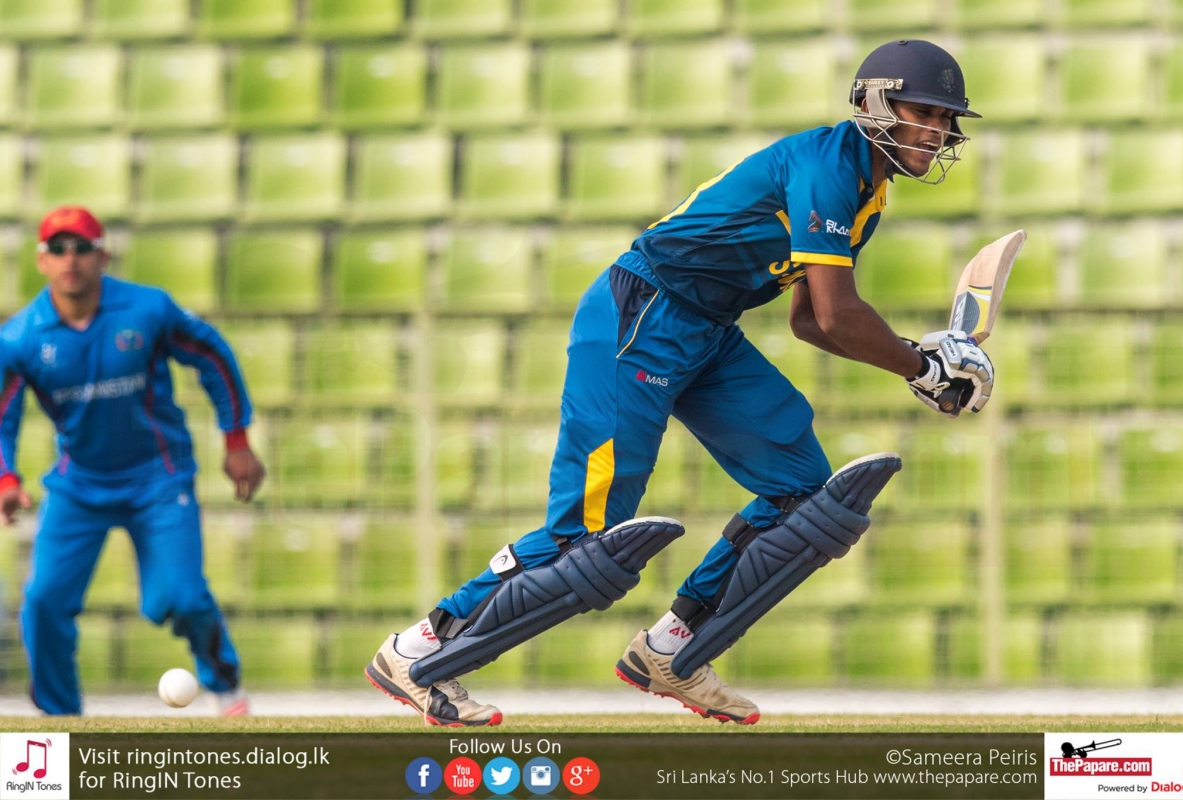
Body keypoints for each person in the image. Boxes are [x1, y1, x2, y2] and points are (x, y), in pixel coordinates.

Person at [366, 40, 995, 726]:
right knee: (587, 534)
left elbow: (811, 321)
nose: (937, 132)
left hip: (709, 330)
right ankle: (419, 649)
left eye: (945, 119)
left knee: (806, 498)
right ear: (874, 103)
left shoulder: (868, 192)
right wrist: (924, 368)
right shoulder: (827, 168)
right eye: (923, 113)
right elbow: (838, 314)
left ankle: (673, 648)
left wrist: (916, 359)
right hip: (642, 313)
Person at [0, 206, 266, 716]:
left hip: (158, 477)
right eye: (58, 248)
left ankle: (226, 685)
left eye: (82, 247)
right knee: (43, 603)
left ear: (102, 256)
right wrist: (6, 477)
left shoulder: (148, 310)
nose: (70, 259)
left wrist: (236, 440)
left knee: (182, 599)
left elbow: (213, 356)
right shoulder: (20, 338)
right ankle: (60, 720)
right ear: (41, 260)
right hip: (79, 485)